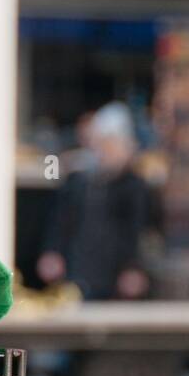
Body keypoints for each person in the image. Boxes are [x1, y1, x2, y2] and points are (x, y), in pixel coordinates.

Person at [37, 102, 157, 300]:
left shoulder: (135, 187)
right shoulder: (78, 181)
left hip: (116, 280)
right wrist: (52, 251)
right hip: (78, 274)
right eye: (103, 144)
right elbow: (59, 222)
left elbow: (141, 232)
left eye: (113, 145)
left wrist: (135, 268)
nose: (107, 151)